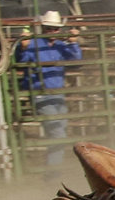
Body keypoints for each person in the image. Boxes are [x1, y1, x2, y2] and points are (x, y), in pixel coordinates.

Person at [15, 10, 81, 154]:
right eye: (48, 28)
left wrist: (73, 43)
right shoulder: (33, 44)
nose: (52, 31)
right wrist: (23, 47)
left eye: (55, 28)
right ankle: (54, 172)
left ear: (59, 29)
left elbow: (75, 61)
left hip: (58, 94)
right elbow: (20, 61)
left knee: (58, 132)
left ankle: (53, 171)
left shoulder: (61, 45)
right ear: (43, 28)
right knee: (58, 133)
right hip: (40, 94)